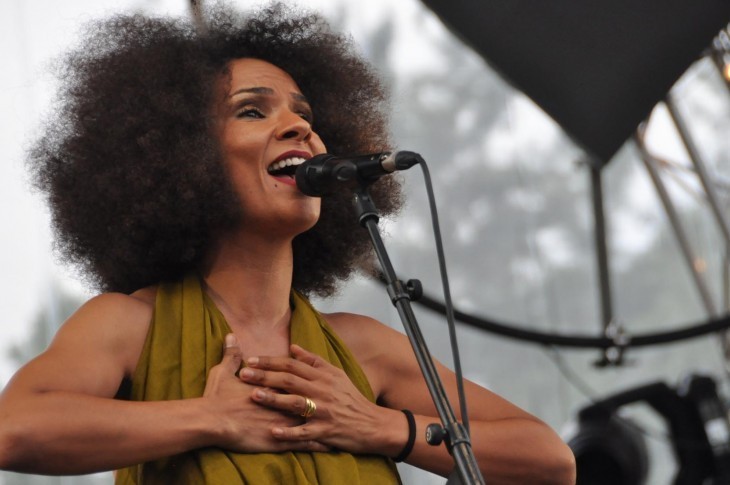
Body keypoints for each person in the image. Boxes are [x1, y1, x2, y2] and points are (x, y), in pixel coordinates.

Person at [0, 3, 576, 484]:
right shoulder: (128, 325)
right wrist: (209, 419)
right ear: (182, 157)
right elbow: (16, 431)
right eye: (252, 111)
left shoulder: (363, 348)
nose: (301, 127)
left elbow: (549, 459)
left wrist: (382, 429)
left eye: (304, 114)